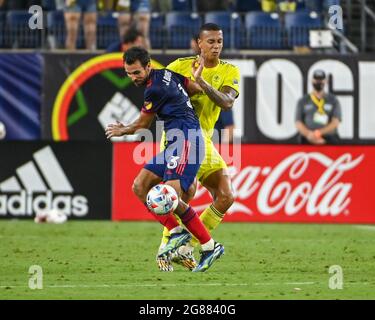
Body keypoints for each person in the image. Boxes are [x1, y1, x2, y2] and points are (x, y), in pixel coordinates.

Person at [105, 47, 225, 272]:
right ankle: (177, 233)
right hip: (174, 143)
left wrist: (122, 130)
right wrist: (197, 83)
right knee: (140, 186)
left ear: (148, 66)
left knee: (170, 196)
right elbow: (193, 88)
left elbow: (142, 125)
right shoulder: (166, 75)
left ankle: (209, 246)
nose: (133, 78)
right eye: (129, 73)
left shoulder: (155, 89)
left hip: (187, 141)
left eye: (136, 72)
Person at [157, 23, 240, 271]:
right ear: (199, 44)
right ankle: (164, 250)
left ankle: (185, 247)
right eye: (211, 41)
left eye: (219, 41)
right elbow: (156, 95)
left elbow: (226, 102)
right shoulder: (177, 66)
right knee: (182, 193)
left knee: (226, 196)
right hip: (178, 137)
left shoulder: (229, 71)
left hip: (204, 140)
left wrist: (201, 82)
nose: (216, 46)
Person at [295, 69, 342, 145]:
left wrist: (319, 133)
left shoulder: (333, 100)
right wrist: (309, 134)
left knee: (334, 140)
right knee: (300, 140)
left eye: (321, 80)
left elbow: (335, 122)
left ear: (326, 81)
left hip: (328, 137)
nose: (318, 82)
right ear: (312, 81)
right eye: (316, 80)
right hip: (308, 137)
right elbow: (298, 122)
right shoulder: (303, 100)